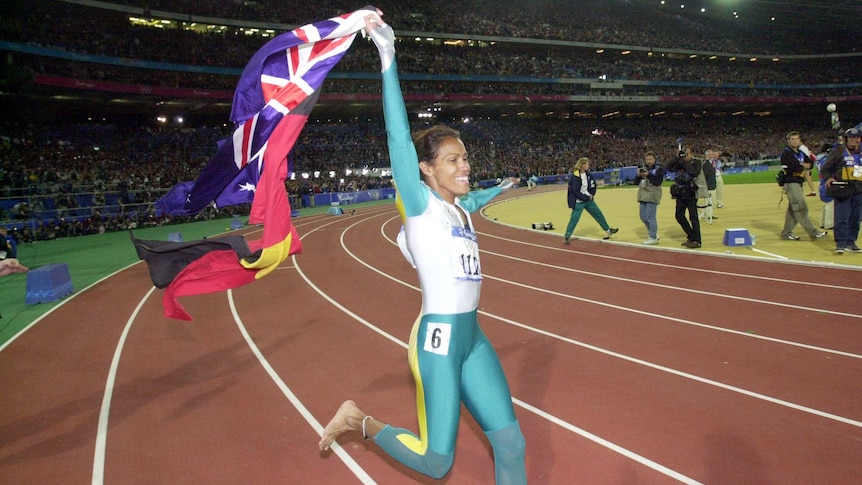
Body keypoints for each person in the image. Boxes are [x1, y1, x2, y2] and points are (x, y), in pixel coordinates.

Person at [319, 13, 527, 484]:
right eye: (454, 160)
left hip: (473, 337)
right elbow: (397, 137)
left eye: (466, 158)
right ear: (427, 170)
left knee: (512, 443)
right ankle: (359, 421)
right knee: (437, 463)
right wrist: (388, 57)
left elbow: (472, 197)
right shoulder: (420, 206)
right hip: (438, 339)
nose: (465, 166)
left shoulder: (459, 209)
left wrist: (500, 187)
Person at [779, 132, 828, 242]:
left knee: (793, 210)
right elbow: (796, 167)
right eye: (792, 139)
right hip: (791, 182)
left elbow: (810, 163)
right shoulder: (786, 153)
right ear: (788, 141)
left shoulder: (800, 152)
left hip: (798, 182)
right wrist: (803, 165)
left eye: (797, 139)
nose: (795, 141)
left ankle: (786, 233)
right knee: (801, 208)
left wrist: (803, 165)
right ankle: (813, 233)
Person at [822, 126, 862, 254]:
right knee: (842, 217)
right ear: (846, 139)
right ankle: (840, 243)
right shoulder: (838, 151)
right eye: (851, 137)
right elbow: (825, 168)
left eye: (856, 137)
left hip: (859, 189)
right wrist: (828, 178)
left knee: (855, 218)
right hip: (843, 188)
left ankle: (851, 242)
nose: (854, 140)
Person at [562, 157, 619, 244]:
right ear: (582, 165)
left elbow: (593, 185)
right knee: (574, 219)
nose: (588, 165)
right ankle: (567, 236)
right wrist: (586, 197)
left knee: (598, 214)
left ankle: (608, 230)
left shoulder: (588, 174)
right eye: (587, 164)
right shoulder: (575, 176)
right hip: (579, 202)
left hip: (588, 200)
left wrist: (592, 194)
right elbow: (575, 192)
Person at [666, 147, 703, 248]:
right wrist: (676, 158)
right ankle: (692, 236)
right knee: (679, 216)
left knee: (693, 217)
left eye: (686, 154)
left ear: (691, 154)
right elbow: (668, 167)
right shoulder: (679, 162)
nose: (684, 156)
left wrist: (685, 161)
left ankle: (697, 240)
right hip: (680, 192)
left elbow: (693, 172)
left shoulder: (696, 162)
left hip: (690, 192)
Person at [635, 151, 664, 245]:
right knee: (643, 217)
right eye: (647, 160)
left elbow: (657, 182)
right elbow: (635, 182)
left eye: (650, 159)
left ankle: (653, 237)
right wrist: (638, 175)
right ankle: (653, 231)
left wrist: (649, 175)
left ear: (654, 159)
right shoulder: (643, 168)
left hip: (653, 194)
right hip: (643, 194)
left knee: (650, 217)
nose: (649, 161)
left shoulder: (659, 169)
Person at [816, 143, 835, 230]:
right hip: (827, 183)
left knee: (825, 204)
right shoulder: (827, 159)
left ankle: (822, 222)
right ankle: (829, 223)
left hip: (822, 184)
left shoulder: (820, 159)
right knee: (830, 204)